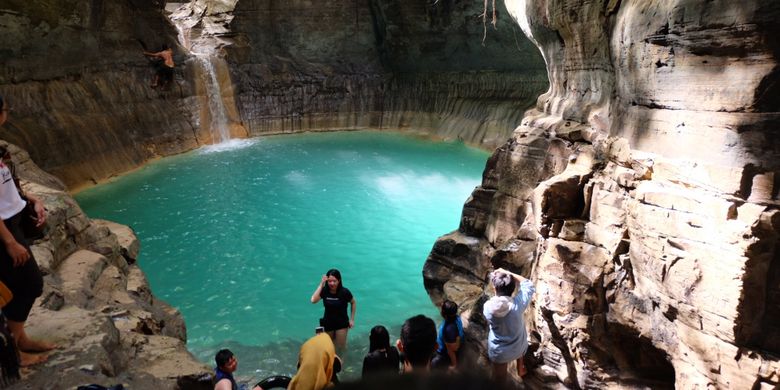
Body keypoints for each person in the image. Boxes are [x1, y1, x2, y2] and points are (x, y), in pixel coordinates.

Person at [0, 96, 53, 367]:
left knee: (21, 285)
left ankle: (18, 339)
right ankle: (12, 352)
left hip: (12, 225)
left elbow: (4, 186)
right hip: (3, 234)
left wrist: (30, 198)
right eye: (6, 110)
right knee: (28, 283)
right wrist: (9, 241)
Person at [483, 268, 535, 383]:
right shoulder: (518, 304)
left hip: (499, 352)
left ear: (494, 288)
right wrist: (509, 273)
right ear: (513, 289)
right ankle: (520, 368)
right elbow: (529, 285)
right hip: (519, 347)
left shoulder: (487, 307)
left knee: (499, 379)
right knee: (520, 334)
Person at [310, 269, 356, 353]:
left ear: (339, 281)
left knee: (340, 348)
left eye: (334, 281)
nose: (332, 283)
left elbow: (353, 302)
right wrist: (321, 284)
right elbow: (313, 300)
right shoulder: (324, 291)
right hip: (327, 322)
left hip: (341, 323)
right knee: (327, 347)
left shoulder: (344, 292)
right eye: (329, 281)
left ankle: (339, 364)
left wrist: (352, 319)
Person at [431, 300, 463, 371]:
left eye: (442, 308)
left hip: (442, 353)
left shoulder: (448, 329)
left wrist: (454, 365)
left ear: (444, 314)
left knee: (432, 364)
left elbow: (452, 350)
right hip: (444, 346)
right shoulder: (456, 318)